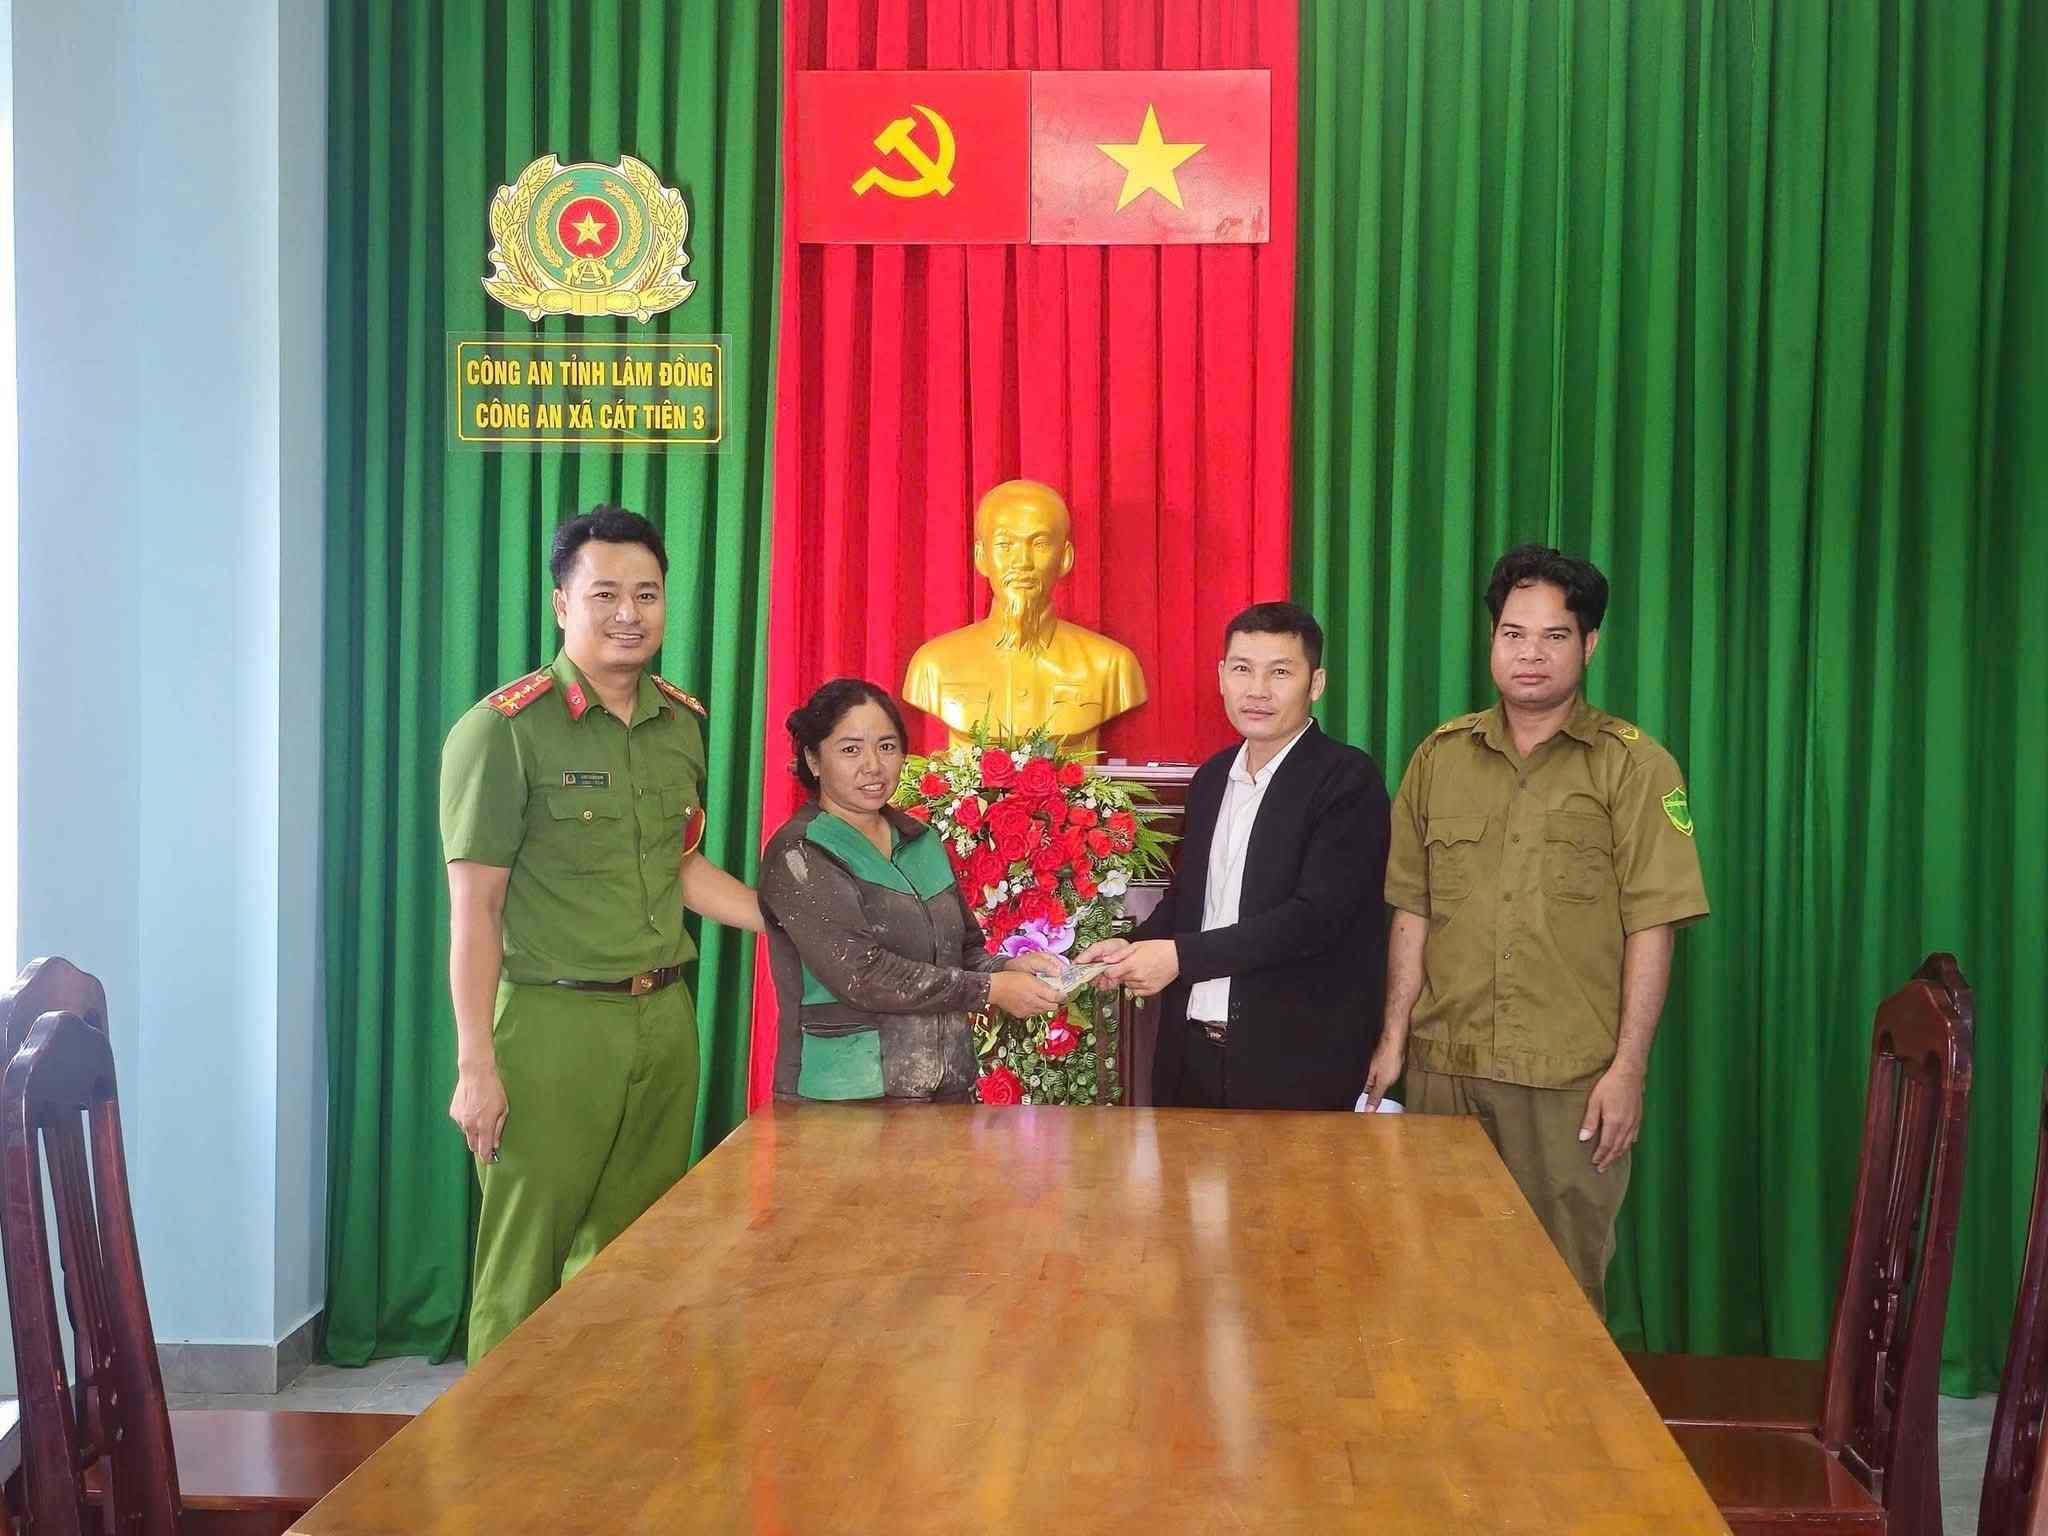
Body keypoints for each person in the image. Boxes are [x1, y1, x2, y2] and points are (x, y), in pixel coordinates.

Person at [439, 504, 764, 1363]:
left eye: (648, 594)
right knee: (524, 1264)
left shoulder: (681, 723)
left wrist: (795, 922)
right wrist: (477, 1066)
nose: (630, 614)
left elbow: (682, 870)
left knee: (635, 1258)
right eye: (606, 594)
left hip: (663, 1020)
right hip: (552, 1026)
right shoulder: (503, 731)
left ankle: (603, 1460)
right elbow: (475, 909)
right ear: (560, 605)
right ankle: (497, 1471)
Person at [1368, 544, 1710, 1316]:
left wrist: (1628, 1071)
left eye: (1554, 636)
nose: (1530, 653)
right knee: (1437, 1290)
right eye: (1513, 633)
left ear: (1589, 645)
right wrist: (1394, 1040)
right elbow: (1413, 908)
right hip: (1444, 1072)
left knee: (1558, 1304)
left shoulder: (1634, 766)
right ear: (1492, 641)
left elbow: (1654, 924)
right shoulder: (1440, 757)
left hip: (1567, 1087)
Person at [1077, 602, 1390, 1109]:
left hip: (1295, 1067)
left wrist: (1179, 958)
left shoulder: (1347, 780)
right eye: (1242, 669)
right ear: (1222, 676)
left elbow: (1316, 919)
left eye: (1280, 672)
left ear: (1317, 683)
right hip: (1193, 1056)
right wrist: (1128, 947)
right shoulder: (1210, 779)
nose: (1257, 690)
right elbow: (1187, 904)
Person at [759, 678, 1065, 1101]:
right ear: (813, 759)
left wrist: (1005, 970)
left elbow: (965, 949)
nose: (873, 765)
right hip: (845, 1099)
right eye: (851, 750)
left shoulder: (920, 839)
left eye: (886, 747)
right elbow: (864, 974)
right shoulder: (800, 852)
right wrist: (990, 990)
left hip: (947, 1087)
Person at [902, 479, 1147, 755]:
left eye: (1039, 544)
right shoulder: (934, 665)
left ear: (1065, 557)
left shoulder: (1111, 666)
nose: (1022, 563)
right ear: (981, 557)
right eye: (1006, 545)